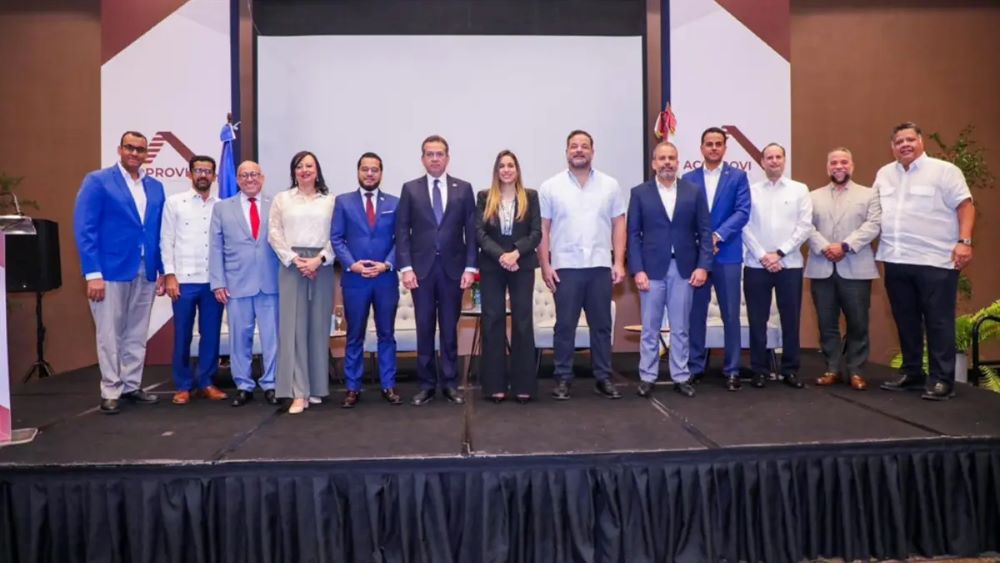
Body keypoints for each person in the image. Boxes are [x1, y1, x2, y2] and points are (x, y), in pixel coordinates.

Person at [876, 122, 974, 401]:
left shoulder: (944, 171)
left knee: (938, 321)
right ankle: (912, 373)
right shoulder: (884, 174)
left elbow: (966, 205)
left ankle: (942, 379)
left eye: (910, 139)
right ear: (892, 147)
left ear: (921, 141)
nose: (904, 145)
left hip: (936, 260)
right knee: (905, 319)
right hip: (895, 258)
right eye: (899, 142)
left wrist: (964, 242)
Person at [73, 131, 166, 414]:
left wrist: (162, 270)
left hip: (146, 269)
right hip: (110, 270)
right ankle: (111, 389)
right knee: (110, 333)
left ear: (146, 154)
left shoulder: (155, 187)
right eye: (130, 148)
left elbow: (158, 231)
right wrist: (93, 274)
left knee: (136, 331)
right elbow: (85, 229)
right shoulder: (98, 181)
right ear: (120, 149)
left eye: (140, 149)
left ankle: (131, 385)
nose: (135, 153)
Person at [539, 129, 627, 400]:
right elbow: (543, 228)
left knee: (601, 325)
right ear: (567, 151)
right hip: (565, 267)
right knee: (565, 326)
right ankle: (563, 379)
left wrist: (619, 262)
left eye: (584, 146)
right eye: (574, 146)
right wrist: (545, 264)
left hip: (600, 266)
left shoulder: (610, 185)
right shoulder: (550, 186)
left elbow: (619, 224)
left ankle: (603, 378)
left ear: (592, 151)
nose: (579, 150)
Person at [395, 135, 477, 406]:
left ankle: (450, 384)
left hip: (454, 271)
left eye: (439, 154)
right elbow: (402, 231)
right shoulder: (410, 189)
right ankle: (426, 385)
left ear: (447, 158)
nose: (434, 158)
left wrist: (470, 267)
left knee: (450, 330)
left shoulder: (463, 189)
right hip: (421, 272)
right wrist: (406, 268)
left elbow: (471, 232)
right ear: (422, 159)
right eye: (429, 154)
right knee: (424, 328)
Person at [627, 142, 712, 398]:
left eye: (671, 158)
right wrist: (637, 270)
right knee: (650, 328)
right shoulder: (639, 193)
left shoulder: (693, 191)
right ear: (654, 163)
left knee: (681, 327)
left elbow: (705, 232)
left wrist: (703, 266)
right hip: (651, 270)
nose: (667, 162)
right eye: (662, 158)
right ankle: (647, 376)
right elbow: (633, 234)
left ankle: (681, 376)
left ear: (678, 162)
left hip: (684, 269)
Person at [805, 148, 881, 390]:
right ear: (827, 168)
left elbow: (873, 225)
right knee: (826, 323)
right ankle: (832, 369)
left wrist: (845, 246)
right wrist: (825, 247)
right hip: (821, 266)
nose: (839, 166)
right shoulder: (812, 196)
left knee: (858, 322)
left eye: (844, 162)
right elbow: (805, 226)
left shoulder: (869, 194)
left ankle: (856, 371)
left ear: (852, 166)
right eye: (834, 163)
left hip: (856, 267)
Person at [331, 152, 402, 408]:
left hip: (385, 279)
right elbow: (336, 238)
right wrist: (352, 265)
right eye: (365, 169)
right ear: (358, 172)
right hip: (355, 280)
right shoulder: (343, 202)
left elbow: (401, 239)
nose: (370, 174)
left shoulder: (394, 202)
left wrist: (386, 264)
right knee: (354, 335)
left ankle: (388, 385)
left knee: (387, 334)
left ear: (381, 173)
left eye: (374, 169)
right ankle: (352, 388)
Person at [682, 127, 751, 391]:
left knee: (730, 314)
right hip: (697, 257)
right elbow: (684, 215)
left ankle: (732, 370)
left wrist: (717, 235)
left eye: (718, 144)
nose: (713, 148)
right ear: (701, 148)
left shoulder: (738, 177)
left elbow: (742, 211)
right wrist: (702, 240)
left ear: (724, 148)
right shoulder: (688, 178)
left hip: (727, 254)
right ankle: (695, 367)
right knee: (695, 314)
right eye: (709, 144)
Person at [268, 151, 336, 414]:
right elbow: (274, 233)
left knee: (318, 327)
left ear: (317, 171)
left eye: (309, 165)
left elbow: (337, 235)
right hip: (292, 266)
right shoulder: (282, 199)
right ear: (293, 171)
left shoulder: (330, 201)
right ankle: (299, 392)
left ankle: (316, 387)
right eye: (299, 166)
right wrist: (295, 259)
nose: (304, 170)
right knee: (293, 329)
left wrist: (319, 260)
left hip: (321, 266)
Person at [209, 160, 280, 407]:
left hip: (271, 282)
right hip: (236, 283)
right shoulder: (222, 208)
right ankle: (243, 385)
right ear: (237, 180)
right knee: (240, 338)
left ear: (262, 177)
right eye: (244, 175)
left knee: (272, 338)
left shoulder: (276, 204)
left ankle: (271, 384)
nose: (250, 179)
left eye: (254, 174)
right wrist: (218, 282)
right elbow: (215, 247)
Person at [742, 143, 813, 389]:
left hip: (789, 264)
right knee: (757, 320)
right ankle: (759, 370)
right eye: (769, 157)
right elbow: (744, 226)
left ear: (784, 160)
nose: (774, 161)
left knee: (790, 320)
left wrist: (780, 253)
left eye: (778, 157)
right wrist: (764, 256)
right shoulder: (751, 191)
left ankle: (790, 370)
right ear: (762, 162)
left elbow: (805, 226)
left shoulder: (799, 189)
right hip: (756, 264)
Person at [475, 150, 542, 403]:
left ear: (517, 169)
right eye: (502, 166)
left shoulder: (530, 196)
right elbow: (479, 233)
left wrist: (515, 254)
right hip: (492, 266)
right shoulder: (484, 197)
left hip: (521, 265)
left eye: (510, 165)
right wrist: (501, 256)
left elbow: (536, 233)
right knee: (492, 321)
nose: (506, 170)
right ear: (496, 170)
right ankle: (495, 386)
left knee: (522, 322)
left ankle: (524, 385)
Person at [160, 155, 227, 405]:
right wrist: (170, 275)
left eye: (208, 171)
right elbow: (166, 240)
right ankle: (183, 385)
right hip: (183, 281)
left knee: (211, 334)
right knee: (183, 335)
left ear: (214, 176)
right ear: (189, 174)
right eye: (198, 170)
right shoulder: (175, 203)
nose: (203, 175)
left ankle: (206, 382)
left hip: (213, 281)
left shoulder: (222, 206)